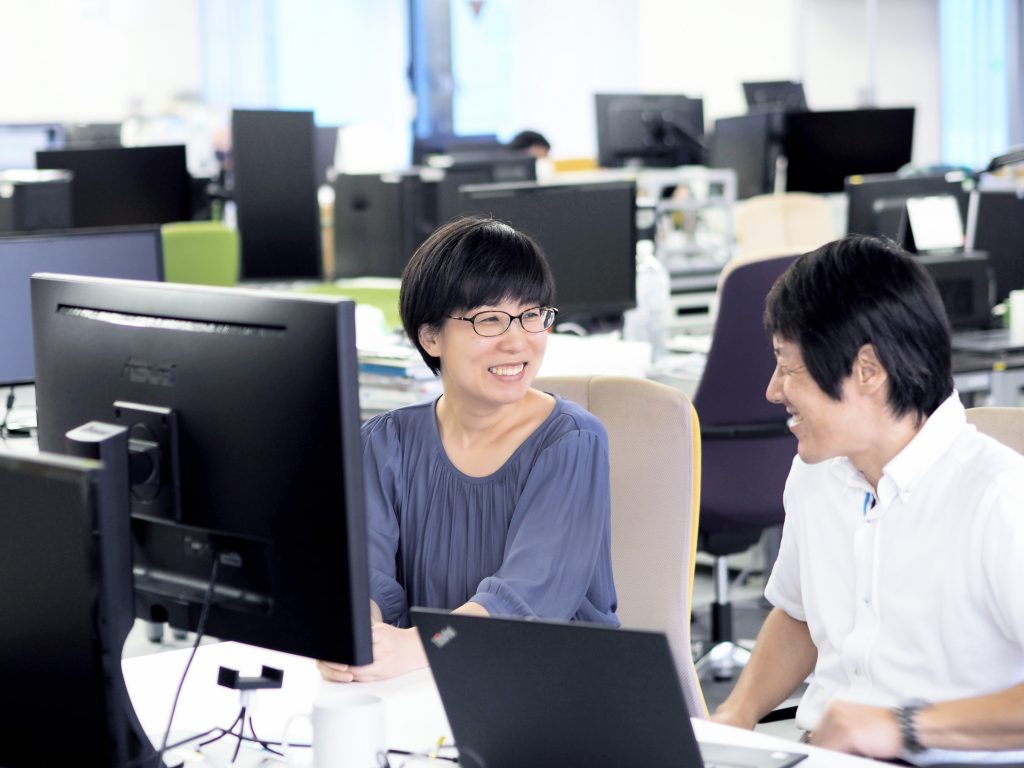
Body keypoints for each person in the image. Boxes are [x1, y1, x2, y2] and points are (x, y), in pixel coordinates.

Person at [712, 235, 1024, 763]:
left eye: (789, 368)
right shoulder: (817, 473)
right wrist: (732, 722)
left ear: (868, 370)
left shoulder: (999, 497)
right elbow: (799, 616)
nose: (773, 389)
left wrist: (901, 728)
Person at [318, 215, 618, 683]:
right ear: (430, 336)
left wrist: (419, 645)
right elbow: (367, 577)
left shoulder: (572, 441)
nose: (517, 341)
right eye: (489, 319)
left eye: (533, 314)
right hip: (430, 682)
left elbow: (525, 602)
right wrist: (361, 640)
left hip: (554, 687)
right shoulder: (384, 442)